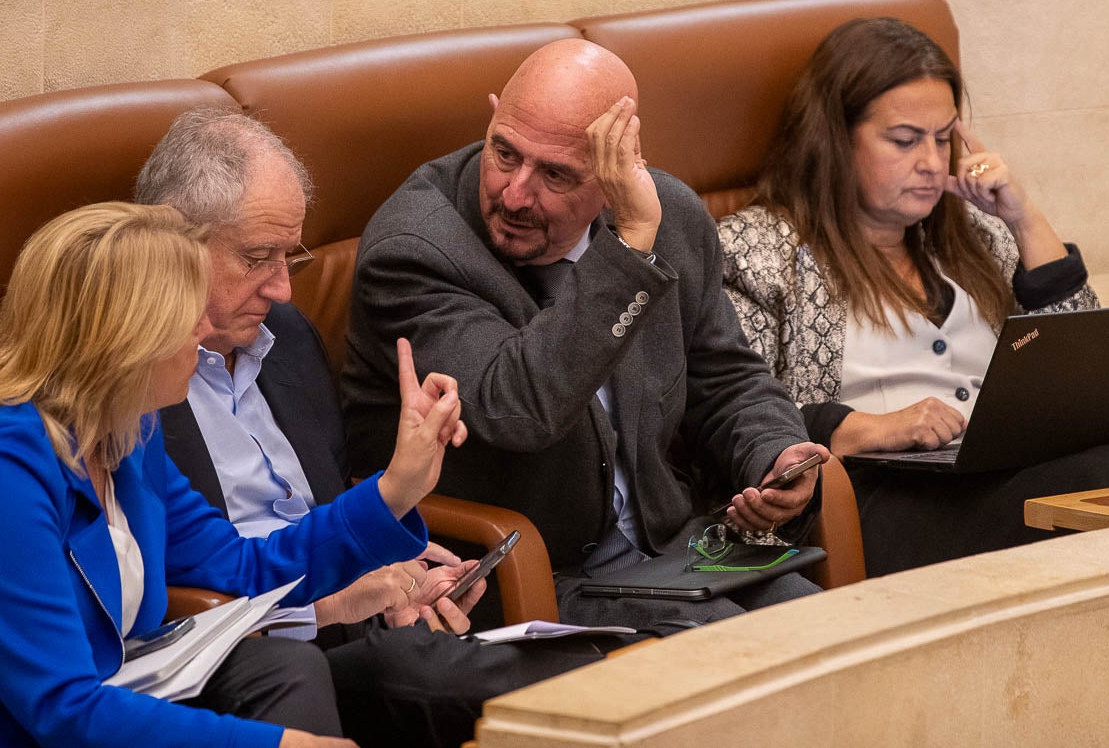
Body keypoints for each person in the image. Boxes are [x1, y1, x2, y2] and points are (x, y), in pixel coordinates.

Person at [0, 201, 470, 748]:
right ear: (125, 339)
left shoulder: (125, 429)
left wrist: (396, 489)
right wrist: (273, 745)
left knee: (280, 673)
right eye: (188, 314)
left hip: (60, 705)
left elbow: (244, 569)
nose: (207, 328)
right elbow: (60, 706)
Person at [134, 108, 613, 748]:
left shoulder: (287, 340)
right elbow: (170, 589)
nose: (282, 288)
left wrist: (393, 570)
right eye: (256, 258)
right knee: (455, 677)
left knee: (571, 665)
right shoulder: (128, 390)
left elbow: (315, 513)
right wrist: (337, 598)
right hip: (243, 658)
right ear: (171, 244)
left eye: (291, 257)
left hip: (334, 619)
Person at [340, 38, 829, 629]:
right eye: (504, 152)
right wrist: (626, 250)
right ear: (492, 115)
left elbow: (724, 377)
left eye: (555, 175)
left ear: (617, 169)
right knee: (731, 659)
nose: (515, 194)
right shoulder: (415, 250)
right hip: (521, 575)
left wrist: (774, 454)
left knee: (824, 631)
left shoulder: (667, 217)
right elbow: (517, 407)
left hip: (675, 553)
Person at [716, 16, 1109, 576]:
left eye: (944, 137)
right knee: (1099, 487)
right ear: (833, 138)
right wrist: (872, 428)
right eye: (904, 140)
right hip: (879, 497)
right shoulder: (757, 251)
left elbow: (1086, 372)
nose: (931, 162)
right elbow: (731, 410)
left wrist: (1024, 218)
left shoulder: (978, 233)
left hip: (1004, 470)